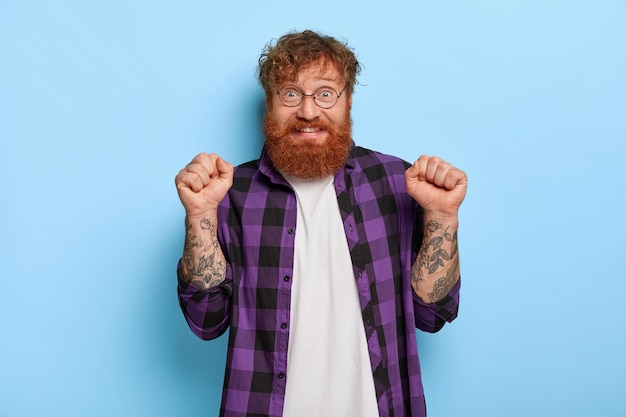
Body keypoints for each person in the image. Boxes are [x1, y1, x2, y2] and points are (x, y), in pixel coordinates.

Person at [175, 30, 467, 417]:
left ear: (348, 102)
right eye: (290, 94)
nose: (309, 112)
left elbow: (433, 315)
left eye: (325, 94)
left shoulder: (398, 181)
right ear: (270, 103)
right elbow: (206, 321)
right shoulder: (230, 192)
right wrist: (199, 216)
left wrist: (442, 217)